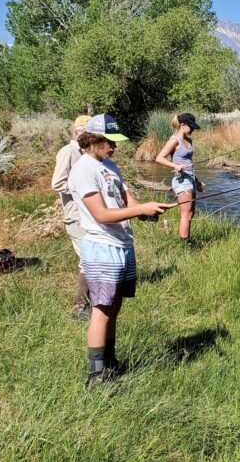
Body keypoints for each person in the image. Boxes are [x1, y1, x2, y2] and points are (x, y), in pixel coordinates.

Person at [68, 114, 173, 385]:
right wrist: (140, 209)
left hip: (123, 244)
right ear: (93, 140)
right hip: (102, 247)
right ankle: (96, 374)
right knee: (101, 310)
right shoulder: (83, 170)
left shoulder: (110, 165)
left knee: (114, 309)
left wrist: (146, 212)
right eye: (109, 142)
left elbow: (127, 199)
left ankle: (110, 362)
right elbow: (101, 215)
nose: (114, 147)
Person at [51, 115, 92, 320]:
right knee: (87, 260)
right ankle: (80, 306)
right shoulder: (68, 152)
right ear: (75, 132)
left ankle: (91, 301)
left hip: (90, 216)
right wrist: (83, 188)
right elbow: (57, 183)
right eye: (82, 131)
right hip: (75, 216)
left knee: (93, 258)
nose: (84, 134)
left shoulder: (88, 153)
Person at [155, 112, 205, 243]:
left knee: (191, 212)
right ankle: (185, 244)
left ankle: (186, 240)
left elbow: (189, 164)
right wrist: (175, 166)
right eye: (191, 126)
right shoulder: (174, 140)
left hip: (190, 179)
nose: (193, 129)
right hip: (181, 181)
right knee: (186, 213)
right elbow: (159, 158)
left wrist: (197, 180)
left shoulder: (188, 140)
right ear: (183, 125)